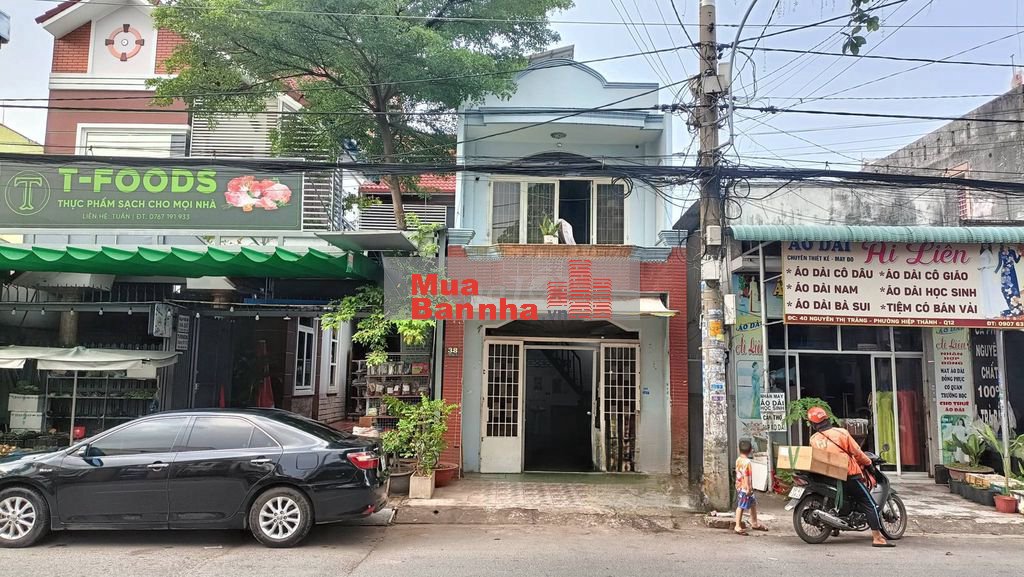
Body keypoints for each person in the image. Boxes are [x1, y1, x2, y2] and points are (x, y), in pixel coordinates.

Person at [807, 407, 894, 548]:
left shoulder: (813, 439)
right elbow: (857, 453)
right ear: (827, 419)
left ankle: (835, 528)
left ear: (813, 424)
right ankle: (877, 537)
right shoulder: (841, 433)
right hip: (848, 475)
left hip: (827, 476)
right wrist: (869, 463)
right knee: (869, 503)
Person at [734, 439, 768, 535]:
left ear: (738, 449)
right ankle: (737, 526)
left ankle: (754, 523)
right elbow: (747, 476)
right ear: (750, 450)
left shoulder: (738, 460)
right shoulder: (747, 462)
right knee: (741, 506)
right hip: (745, 488)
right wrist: (749, 488)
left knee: (752, 504)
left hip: (740, 485)